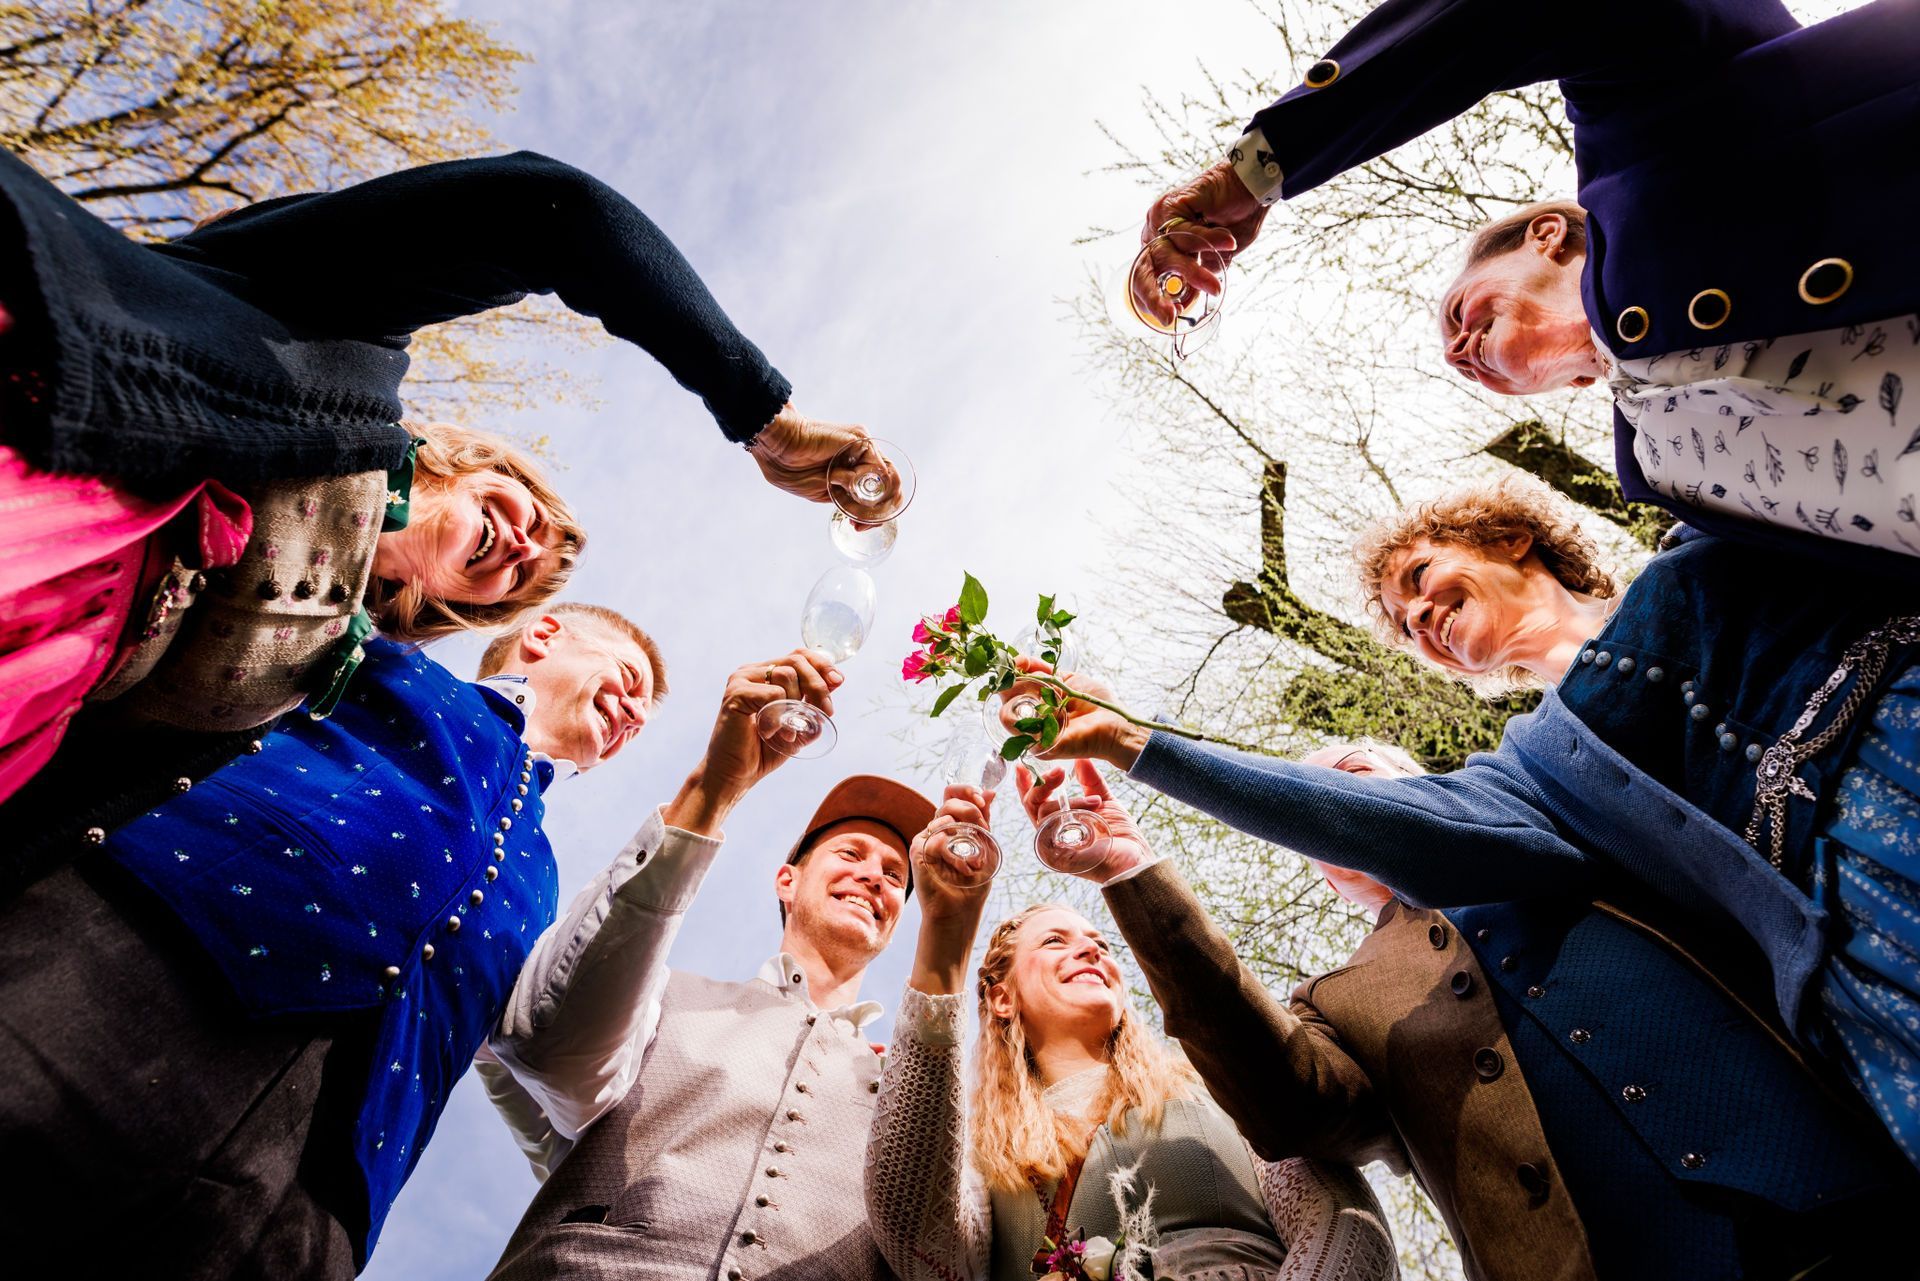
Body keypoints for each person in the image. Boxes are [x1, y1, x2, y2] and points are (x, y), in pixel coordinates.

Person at [1010, 473, 1920, 1170]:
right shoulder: (1542, 773)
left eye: (1421, 576)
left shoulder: (1701, 547)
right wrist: (1136, 743)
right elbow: (1376, 823)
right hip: (1870, 938)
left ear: (1509, 536)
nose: (1417, 614)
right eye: (1405, 628)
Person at [0, 146, 881, 803]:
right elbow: (550, 212)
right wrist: (765, 420)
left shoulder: (321, 680)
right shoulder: (343, 345)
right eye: (537, 517)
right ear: (475, 467)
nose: (525, 546)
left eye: (520, 580)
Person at [1013, 746, 1915, 1280]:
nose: (1339, 813)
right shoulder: (1336, 998)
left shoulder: (1558, 828)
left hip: (1853, 1193)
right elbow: (1287, 1108)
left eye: (1359, 780)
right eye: (1312, 818)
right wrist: (1131, 871)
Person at [0, 602, 670, 1277]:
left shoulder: (545, 878)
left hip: (321, 1188)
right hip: (129, 980)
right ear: (545, 633)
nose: (635, 714)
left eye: (642, 718)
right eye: (629, 678)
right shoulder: (390, 663)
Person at [1130, 0, 1920, 572]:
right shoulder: (1668, 483)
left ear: (1547, 235)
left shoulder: (1652, 142)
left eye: (1458, 313)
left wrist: (1260, 171)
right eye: (1458, 357)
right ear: (1569, 385)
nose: (1458, 352)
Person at [478, 661, 934, 1279]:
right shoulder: (659, 997)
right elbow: (545, 1042)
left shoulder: (913, 1095)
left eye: (895, 875)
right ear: (787, 880)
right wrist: (716, 788)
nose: (875, 876)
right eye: (851, 853)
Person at [866, 783, 1398, 1281]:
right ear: (1001, 997)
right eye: (1055, 941)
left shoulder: (1213, 1084)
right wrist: (946, 935)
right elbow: (921, 1242)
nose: (1092, 949)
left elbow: (1340, 1222)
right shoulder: (979, 1147)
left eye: (1099, 941)